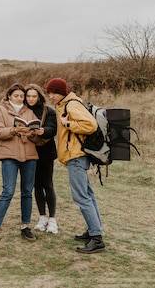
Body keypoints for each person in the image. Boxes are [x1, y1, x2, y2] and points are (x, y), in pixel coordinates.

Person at [45, 78, 105, 254]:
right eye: (49, 92)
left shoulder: (71, 105)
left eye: (54, 92)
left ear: (62, 92)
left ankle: (97, 239)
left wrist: (68, 124)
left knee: (81, 197)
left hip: (76, 156)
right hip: (75, 156)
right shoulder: (66, 103)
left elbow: (91, 125)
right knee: (88, 195)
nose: (51, 96)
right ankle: (93, 230)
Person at [0, 83, 39, 248]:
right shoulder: (1, 110)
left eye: (22, 96)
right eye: (16, 95)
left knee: (27, 191)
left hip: (29, 155)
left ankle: (25, 226)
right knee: (8, 191)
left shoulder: (29, 112)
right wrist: (13, 131)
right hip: (9, 155)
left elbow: (36, 137)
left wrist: (33, 133)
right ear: (9, 96)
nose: (20, 98)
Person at [25, 84, 59, 234]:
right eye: (28, 96)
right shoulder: (23, 111)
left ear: (39, 97)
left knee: (48, 184)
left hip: (46, 153)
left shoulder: (49, 111)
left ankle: (52, 219)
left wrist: (42, 130)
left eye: (34, 96)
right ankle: (42, 217)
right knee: (36, 186)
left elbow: (53, 129)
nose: (31, 99)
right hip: (29, 152)